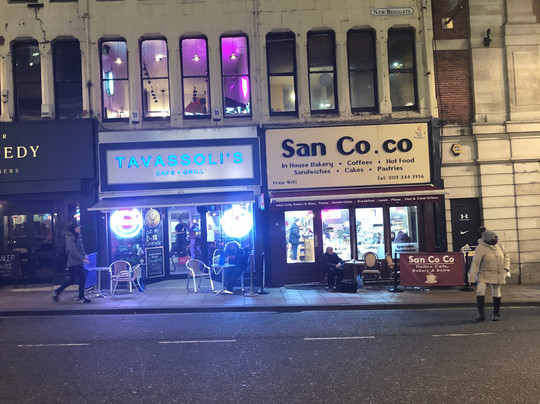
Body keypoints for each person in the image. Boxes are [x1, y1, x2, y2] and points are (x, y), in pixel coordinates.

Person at [468, 226, 510, 322]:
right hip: (483, 273)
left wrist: (506, 268)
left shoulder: (499, 245)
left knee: (496, 292)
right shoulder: (480, 248)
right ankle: (481, 314)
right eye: (493, 239)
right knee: (480, 291)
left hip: (497, 273)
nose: (496, 240)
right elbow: (475, 263)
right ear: (488, 240)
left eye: (496, 238)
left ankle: (495, 313)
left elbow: (506, 256)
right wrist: (472, 277)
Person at [52, 223, 91, 303]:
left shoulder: (78, 237)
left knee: (81, 278)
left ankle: (81, 297)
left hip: (79, 263)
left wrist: (84, 254)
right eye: (77, 228)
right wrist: (83, 259)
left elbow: (81, 248)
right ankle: (58, 291)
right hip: (73, 263)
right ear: (74, 230)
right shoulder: (70, 239)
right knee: (72, 280)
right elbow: (73, 252)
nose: (79, 229)